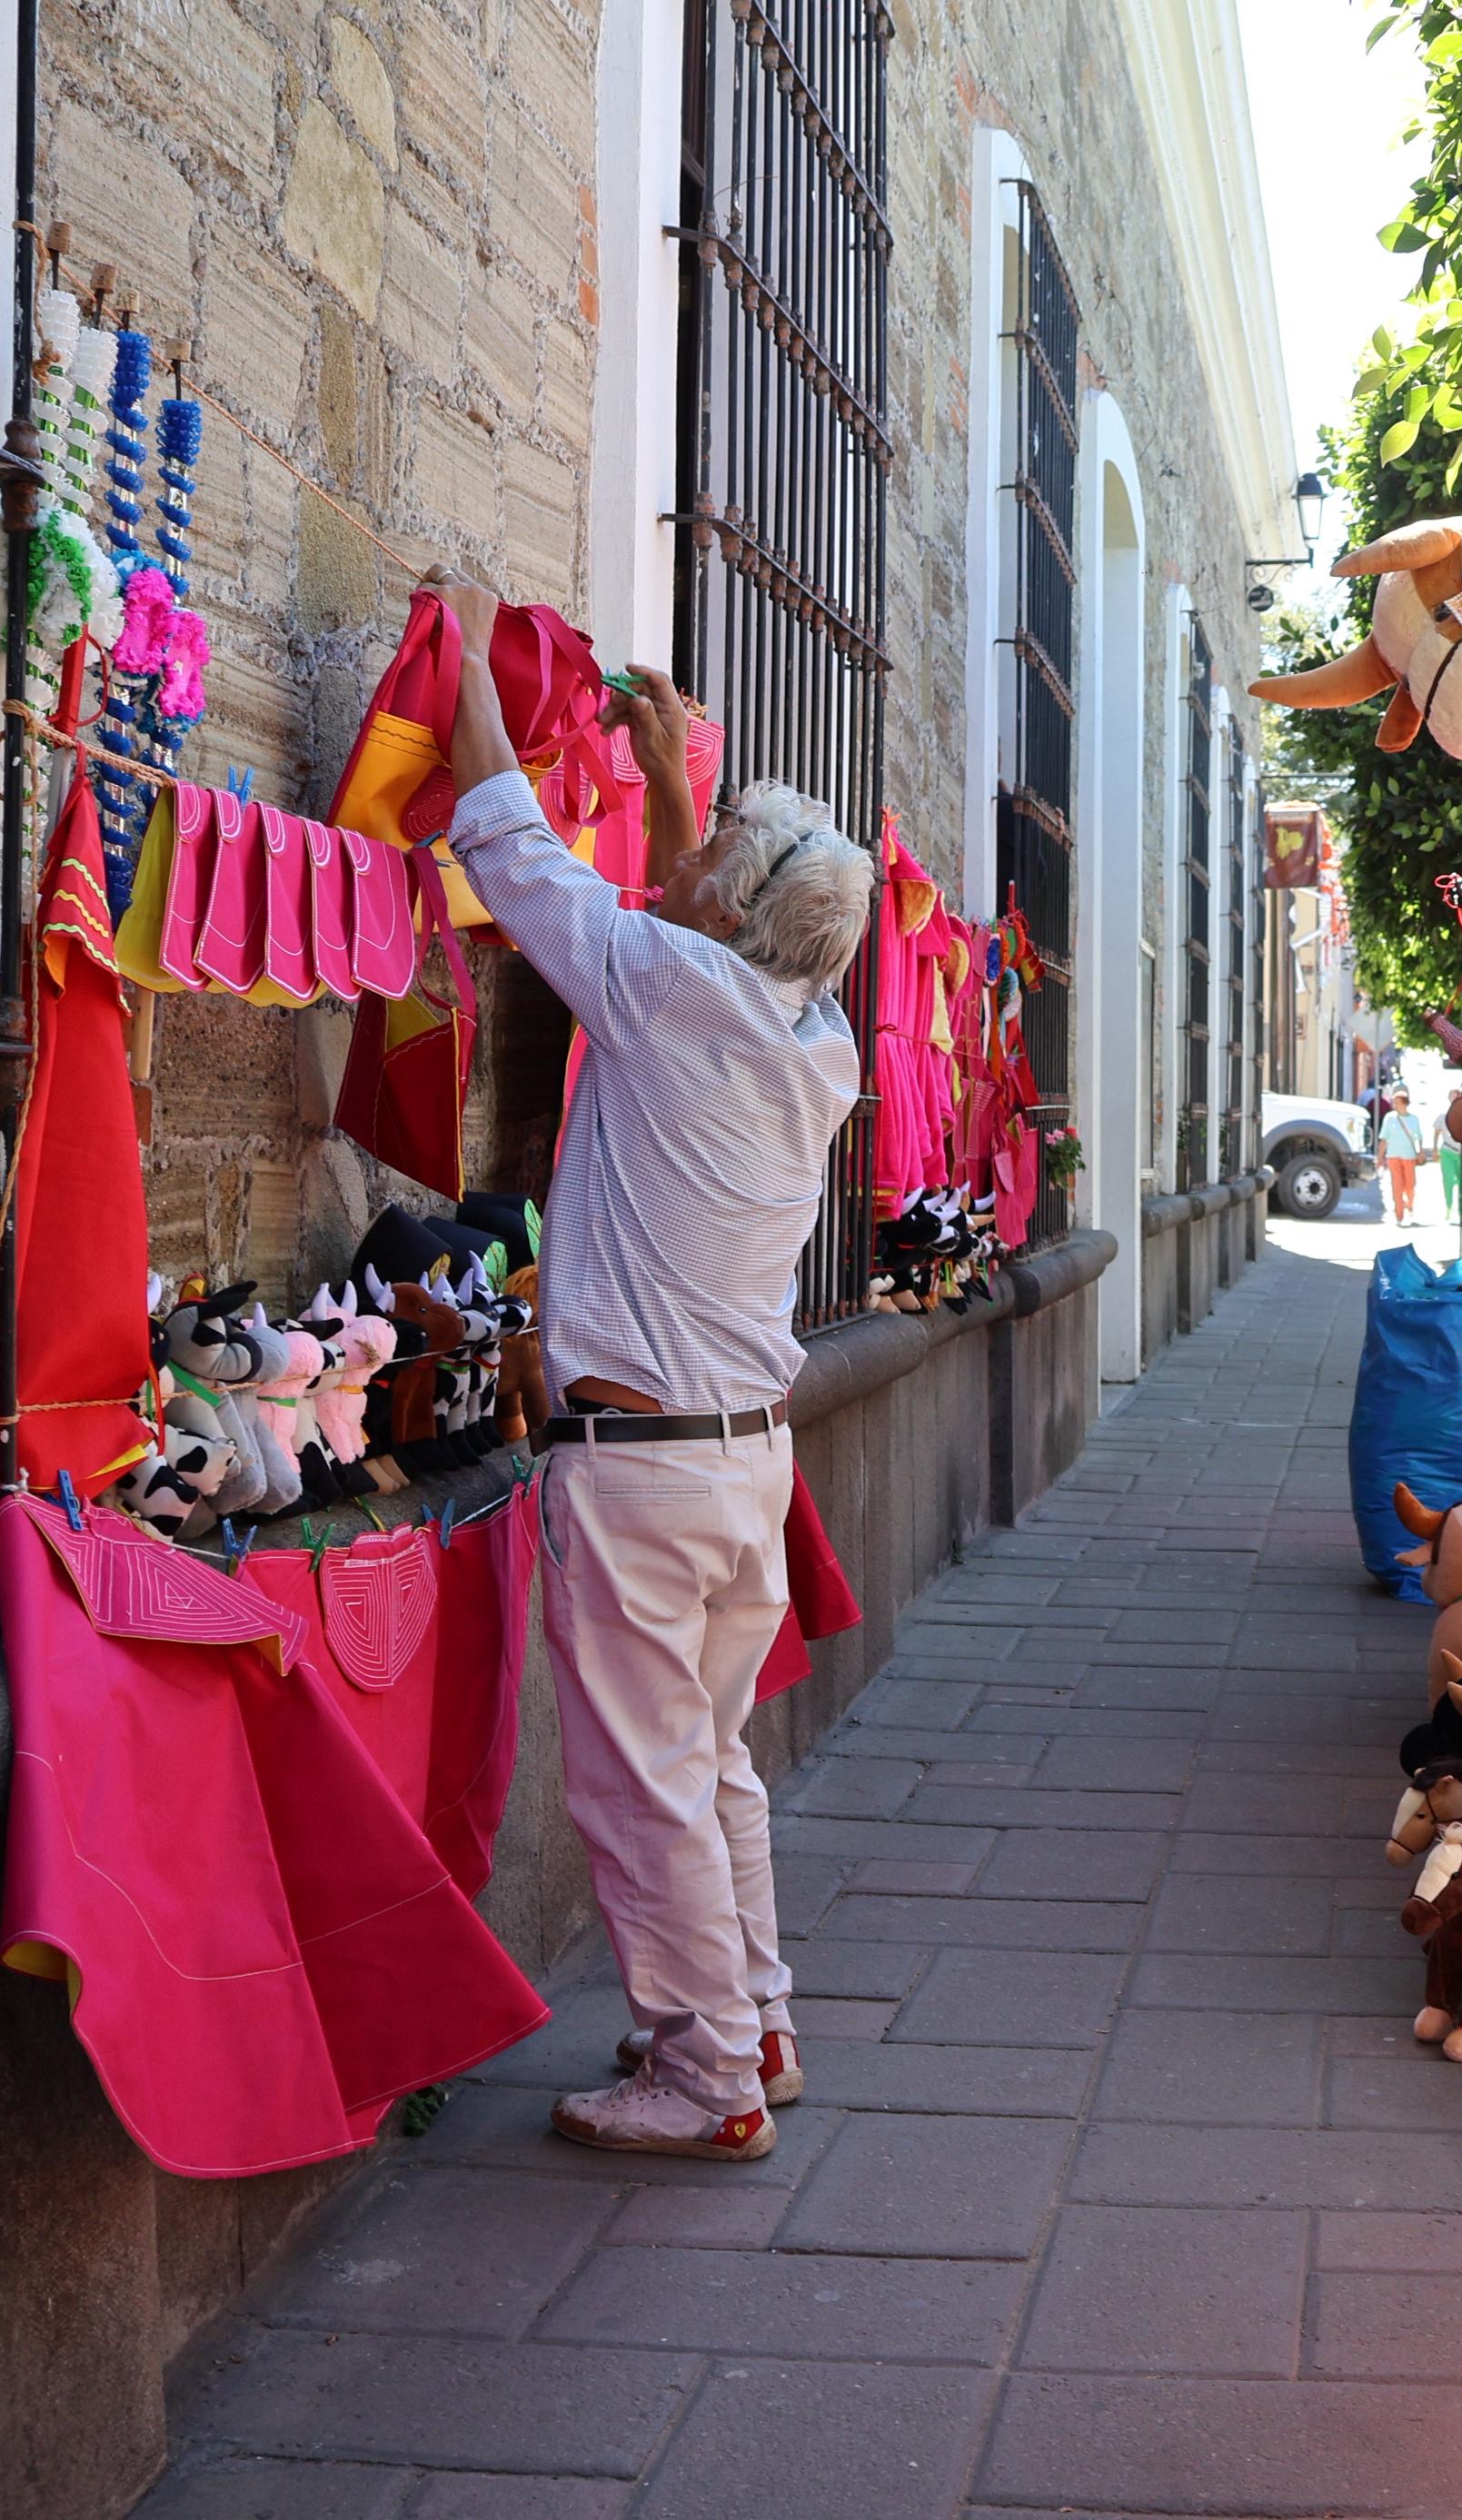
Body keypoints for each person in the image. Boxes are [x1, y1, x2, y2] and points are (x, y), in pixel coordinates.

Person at [422, 573, 873, 2163]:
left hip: (647, 1469)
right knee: (711, 1764)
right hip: (739, 1458)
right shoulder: (815, 1038)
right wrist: (676, 776)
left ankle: (705, 2074)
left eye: (711, 850)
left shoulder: (671, 990)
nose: (685, 861)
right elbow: (700, 910)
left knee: (644, 1786)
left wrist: (466, 654)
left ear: (729, 914)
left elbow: (511, 844)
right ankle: (757, 2020)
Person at [1375, 1087, 1428, 1225]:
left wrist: (1420, 1151)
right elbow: (1384, 1139)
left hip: (1409, 1156)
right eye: (1394, 1102)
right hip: (1393, 1156)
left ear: (1405, 1103)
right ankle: (1399, 1214)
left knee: (1410, 1184)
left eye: (1398, 1102)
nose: (1395, 1105)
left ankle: (1409, 1204)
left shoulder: (1413, 1120)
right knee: (1396, 1185)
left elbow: (1419, 1137)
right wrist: (1380, 1157)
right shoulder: (1389, 1118)